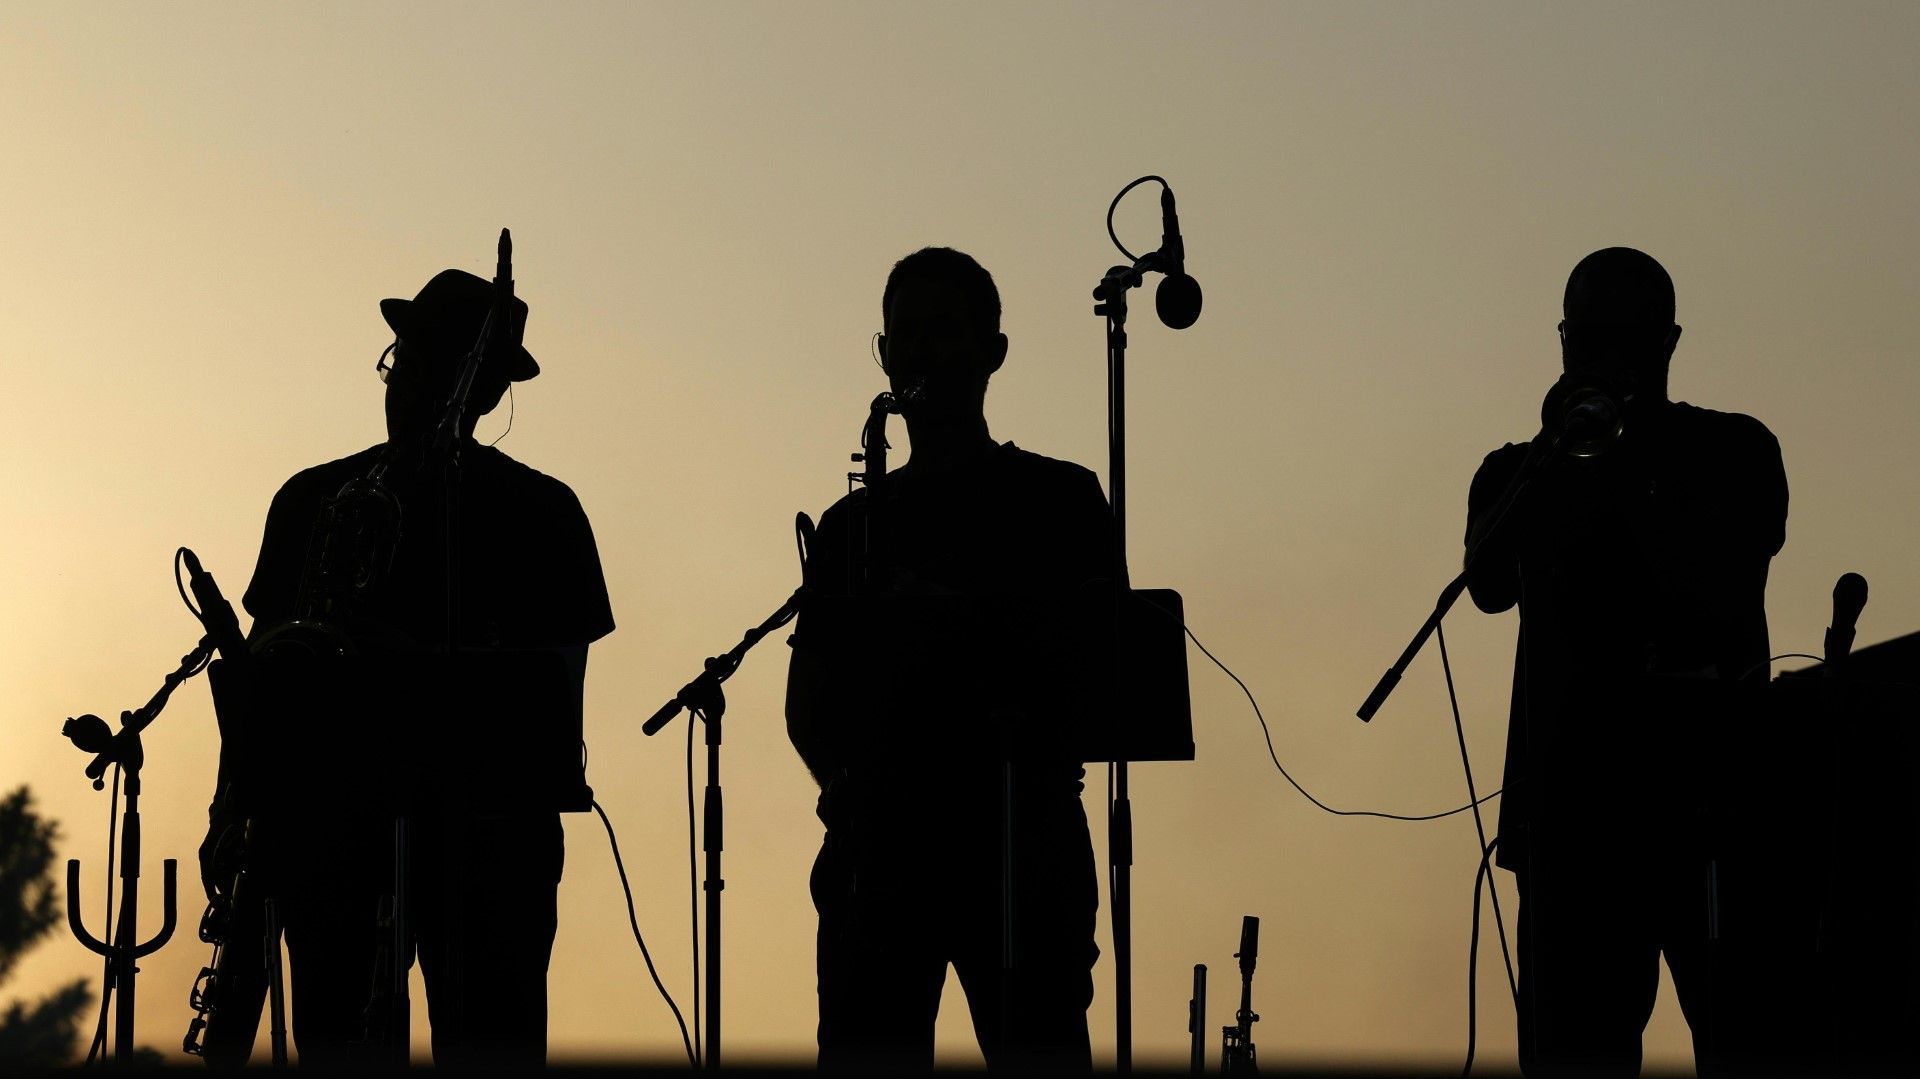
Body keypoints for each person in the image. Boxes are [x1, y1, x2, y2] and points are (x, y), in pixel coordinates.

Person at [203, 267, 614, 1067]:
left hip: (489, 848)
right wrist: (230, 811)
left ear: (488, 389)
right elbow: (268, 684)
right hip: (330, 843)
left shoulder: (545, 514)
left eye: (433, 365)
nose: (405, 384)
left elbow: (553, 713)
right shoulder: (312, 499)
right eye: (402, 359)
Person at [785, 247, 1114, 1070]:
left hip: (1022, 853)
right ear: (885, 354)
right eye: (905, 336)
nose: (922, 353)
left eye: (944, 332)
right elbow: (808, 709)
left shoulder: (1060, 499)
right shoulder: (848, 529)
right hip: (879, 866)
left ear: (993, 351)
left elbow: (1105, 672)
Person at [1465, 248, 1789, 1077]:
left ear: (1669, 342)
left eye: (1625, 338)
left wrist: (1619, 458)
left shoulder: (1734, 452)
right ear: (1562, 342)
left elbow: (1719, 577)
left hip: (1708, 810)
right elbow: (1489, 582)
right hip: (1572, 825)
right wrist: (1558, 450)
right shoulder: (1520, 469)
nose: (1602, 356)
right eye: (1587, 338)